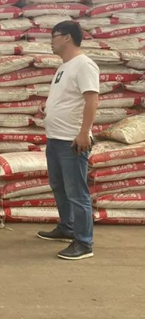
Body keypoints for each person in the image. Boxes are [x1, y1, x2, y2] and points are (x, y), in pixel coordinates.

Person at [38, 21, 99, 261]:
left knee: (77, 192)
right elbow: (69, 98)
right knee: (59, 186)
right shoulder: (64, 67)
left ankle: (84, 243)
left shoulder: (84, 65)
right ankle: (67, 227)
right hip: (55, 138)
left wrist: (84, 132)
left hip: (71, 140)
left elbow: (92, 99)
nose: (51, 42)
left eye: (54, 36)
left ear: (67, 37)